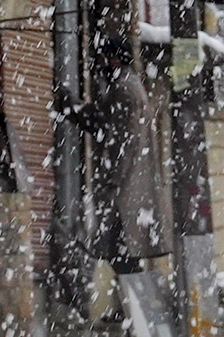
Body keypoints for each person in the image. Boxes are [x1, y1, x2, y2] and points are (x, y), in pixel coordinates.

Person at [72, 36, 172, 275]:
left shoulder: (125, 90)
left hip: (126, 189)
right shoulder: (127, 86)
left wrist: (114, 179)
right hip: (129, 188)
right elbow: (105, 124)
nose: (101, 64)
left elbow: (122, 139)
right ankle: (128, 307)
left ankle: (130, 308)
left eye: (105, 58)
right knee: (121, 254)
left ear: (115, 60)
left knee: (121, 254)